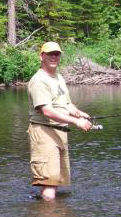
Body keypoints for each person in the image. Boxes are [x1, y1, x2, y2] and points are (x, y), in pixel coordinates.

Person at [27, 42, 92, 201]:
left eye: (57, 54)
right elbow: (47, 110)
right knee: (50, 183)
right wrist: (76, 122)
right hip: (44, 133)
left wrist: (80, 114)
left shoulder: (58, 77)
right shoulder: (39, 81)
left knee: (52, 181)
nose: (54, 57)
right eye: (50, 54)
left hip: (59, 133)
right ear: (41, 56)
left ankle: (45, 216)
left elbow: (67, 104)